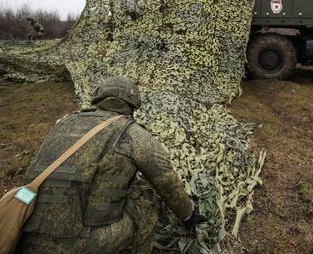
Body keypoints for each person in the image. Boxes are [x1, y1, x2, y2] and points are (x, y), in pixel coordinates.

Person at [19, 77, 205, 254]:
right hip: (81, 244)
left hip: (24, 234)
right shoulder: (133, 134)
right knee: (146, 207)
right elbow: (167, 182)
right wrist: (189, 217)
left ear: (98, 98)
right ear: (132, 103)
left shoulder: (63, 123)